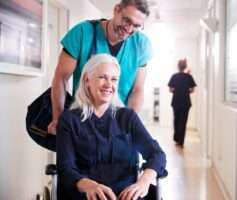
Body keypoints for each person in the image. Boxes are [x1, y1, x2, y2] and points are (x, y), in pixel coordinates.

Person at [56, 54, 167, 200]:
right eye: (102, 77)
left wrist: (144, 182)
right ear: (87, 80)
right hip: (87, 196)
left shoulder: (128, 118)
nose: (109, 84)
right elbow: (66, 168)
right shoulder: (69, 120)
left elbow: (157, 154)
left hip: (126, 196)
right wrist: (88, 185)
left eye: (114, 79)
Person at [48, 0, 152, 134]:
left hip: (118, 126)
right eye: (127, 20)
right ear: (116, 10)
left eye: (137, 26)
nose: (129, 29)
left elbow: (137, 90)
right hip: (82, 122)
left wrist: (129, 125)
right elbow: (60, 78)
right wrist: (58, 120)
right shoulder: (82, 33)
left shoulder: (141, 44)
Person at [167, 59, 197, 147]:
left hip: (176, 101)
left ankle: (176, 139)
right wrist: (186, 91)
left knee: (176, 120)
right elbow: (192, 89)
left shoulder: (174, 76)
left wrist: (176, 90)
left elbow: (170, 89)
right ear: (185, 66)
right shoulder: (189, 77)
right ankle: (181, 141)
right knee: (183, 122)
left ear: (178, 66)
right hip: (186, 102)